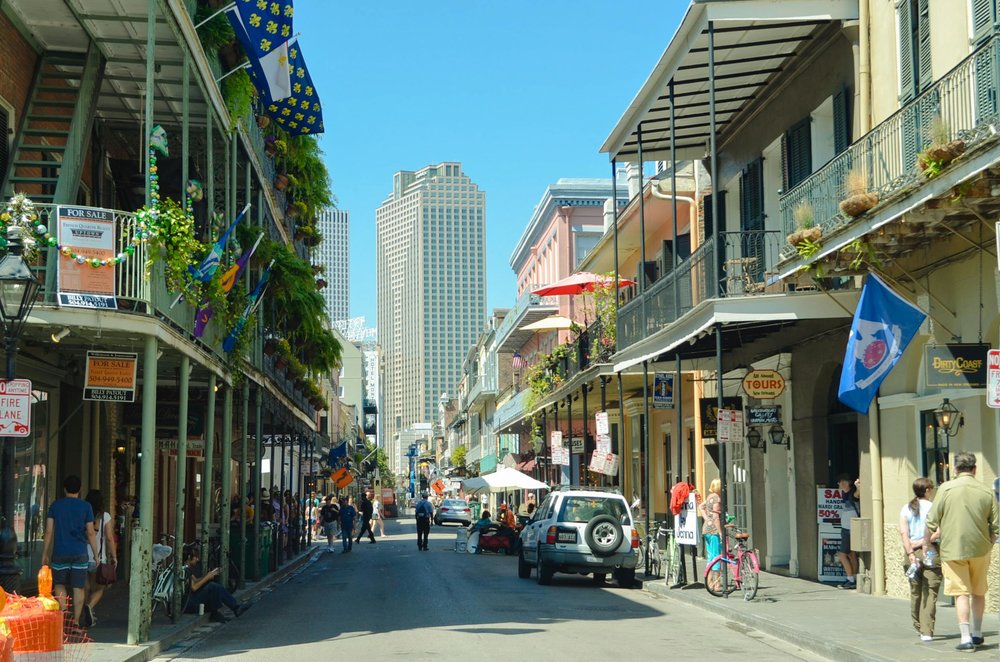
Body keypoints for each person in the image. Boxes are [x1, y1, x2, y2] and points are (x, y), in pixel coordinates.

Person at [926, 452, 1000, 651]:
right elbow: (996, 525)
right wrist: (990, 542)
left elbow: (931, 520)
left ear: (956, 470)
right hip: (980, 548)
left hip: (953, 549)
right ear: (974, 470)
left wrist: (927, 544)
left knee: (961, 593)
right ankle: (977, 632)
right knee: (978, 592)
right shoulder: (986, 491)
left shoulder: (945, 489)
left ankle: (966, 637)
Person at [41, 475, 99, 625]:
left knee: (59, 584)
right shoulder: (86, 507)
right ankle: (76, 621)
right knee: (78, 587)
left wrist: (45, 553)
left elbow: (48, 531)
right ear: (80, 489)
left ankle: (64, 613)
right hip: (80, 553)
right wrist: (96, 554)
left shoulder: (55, 506)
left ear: (64, 489)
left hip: (60, 552)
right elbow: (91, 532)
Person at [899, 477, 941, 642]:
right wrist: (925, 542)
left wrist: (910, 551)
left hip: (912, 554)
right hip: (930, 551)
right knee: (930, 592)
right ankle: (927, 629)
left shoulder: (906, 508)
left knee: (915, 591)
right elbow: (938, 532)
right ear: (927, 491)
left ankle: (917, 625)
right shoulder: (933, 508)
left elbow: (904, 533)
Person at [182, 546, 247, 623]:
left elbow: (195, 580)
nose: (197, 559)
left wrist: (210, 574)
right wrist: (207, 577)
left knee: (212, 586)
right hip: (188, 604)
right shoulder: (184, 570)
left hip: (190, 600)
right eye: (196, 557)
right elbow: (194, 587)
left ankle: (219, 612)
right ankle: (232, 609)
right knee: (213, 586)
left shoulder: (187, 569)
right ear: (189, 557)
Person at [82, 489, 116, 628]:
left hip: (83, 557)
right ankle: (89, 607)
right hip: (98, 558)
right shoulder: (105, 516)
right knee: (100, 589)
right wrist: (114, 556)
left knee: (85, 588)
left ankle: (81, 616)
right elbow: (109, 538)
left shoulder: (83, 514)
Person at [836, 474, 861, 589]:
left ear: (846, 483)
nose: (838, 484)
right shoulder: (844, 494)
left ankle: (850, 579)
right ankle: (854, 578)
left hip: (850, 529)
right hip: (846, 528)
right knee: (852, 554)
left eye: (840, 482)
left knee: (842, 555)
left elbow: (857, 495)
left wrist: (858, 487)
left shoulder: (851, 493)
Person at [700, 478, 722, 592]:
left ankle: (709, 582)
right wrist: (720, 532)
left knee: (711, 557)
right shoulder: (717, 498)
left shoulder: (709, 497)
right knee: (717, 557)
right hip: (713, 531)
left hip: (706, 529)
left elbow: (701, 507)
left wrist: (705, 518)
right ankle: (717, 584)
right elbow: (716, 516)